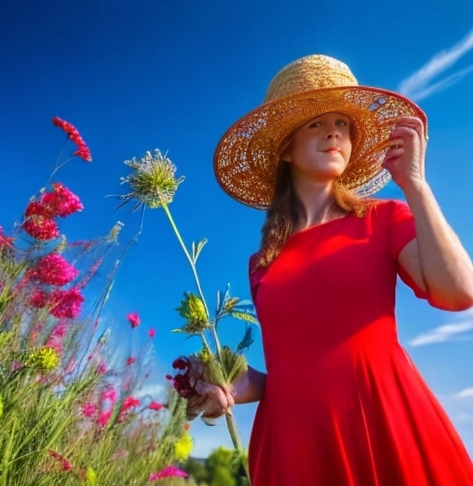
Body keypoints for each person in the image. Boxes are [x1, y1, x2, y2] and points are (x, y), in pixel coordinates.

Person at [189, 54, 473, 485]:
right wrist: (238, 384)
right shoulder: (263, 262)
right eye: (316, 124)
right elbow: (293, 371)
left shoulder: (382, 219)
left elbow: (459, 291)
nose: (334, 133)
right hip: (296, 441)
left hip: (380, 419)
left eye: (342, 124)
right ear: (285, 147)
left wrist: (416, 185)